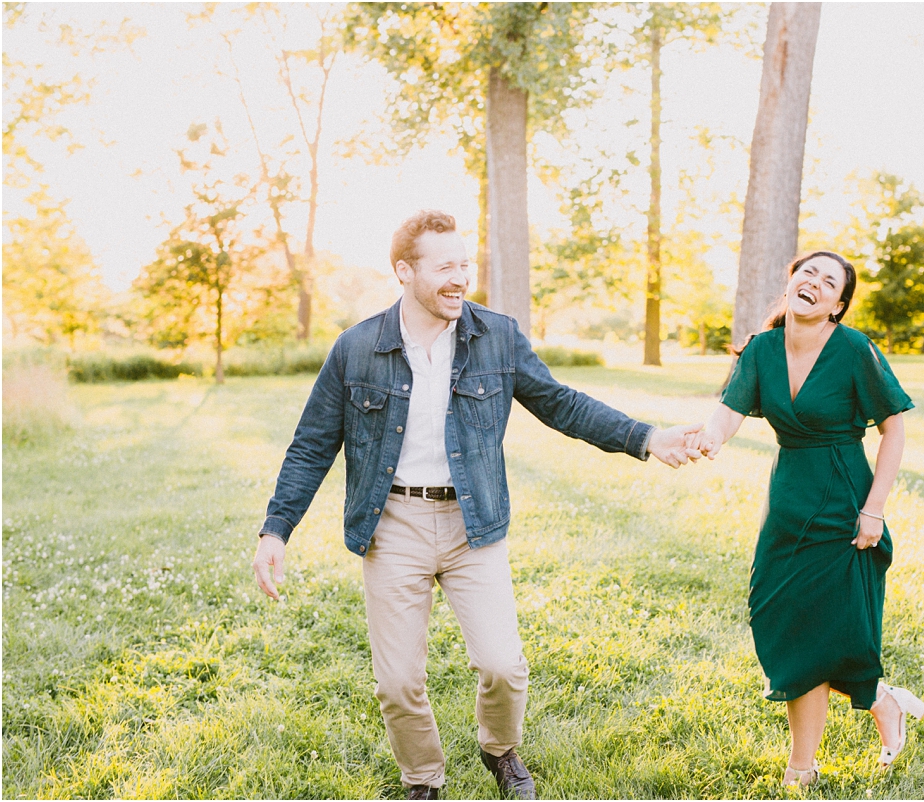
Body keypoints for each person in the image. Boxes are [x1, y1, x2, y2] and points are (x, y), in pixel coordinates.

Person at [251, 210, 702, 800]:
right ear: (404, 271)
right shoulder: (356, 349)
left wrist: (645, 438)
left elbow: (561, 404)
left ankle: (499, 748)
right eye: (446, 267)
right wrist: (275, 530)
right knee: (397, 681)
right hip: (392, 526)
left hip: (473, 523)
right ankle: (423, 779)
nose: (461, 277)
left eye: (465, 264)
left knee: (503, 667)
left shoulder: (497, 335)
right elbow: (312, 444)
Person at [694, 251, 924, 787]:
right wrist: (710, 437)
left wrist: (874, 509)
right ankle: (882, 700)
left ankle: (802, 770)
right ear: (791, 281)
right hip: (788, 502)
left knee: (821, 632)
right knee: (779, 616)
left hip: (844, 501)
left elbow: (895, 429)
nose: (814, 284)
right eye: (807, 273)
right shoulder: (762, 349)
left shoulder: (852, 349)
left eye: (829, 282)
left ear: (837, 305)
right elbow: (730, 409)